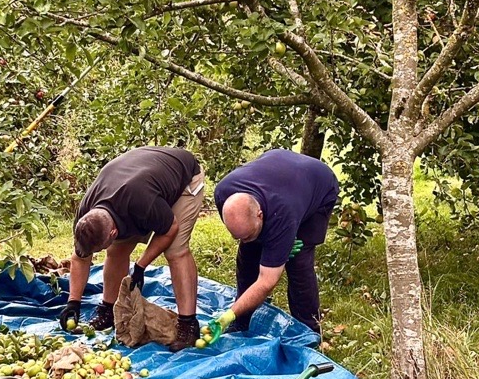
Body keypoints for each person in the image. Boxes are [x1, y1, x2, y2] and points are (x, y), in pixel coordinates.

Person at [59, 147, 205, 352]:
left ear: (113, 232)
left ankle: (188, 324)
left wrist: (140, 266)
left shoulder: (142, 202)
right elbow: (80, 258)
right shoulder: (87, 214)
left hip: (183, 179)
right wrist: (73, 303)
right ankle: (107, 310)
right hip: (139, 179)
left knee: (175, 250)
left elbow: (170, 228)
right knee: (116, 251)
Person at [214, 149, 339, 336]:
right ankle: (242, 321)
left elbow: (267, 281)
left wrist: (229, 314)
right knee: (248, 254)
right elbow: (249, 239)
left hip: (319, 185)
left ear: (260, 215)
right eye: (237, 236)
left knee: (299, 263)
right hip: (280, 173)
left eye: (247, 234)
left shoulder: (282, 214)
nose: (242, 240)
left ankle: (309, 331)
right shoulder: (223, 193)